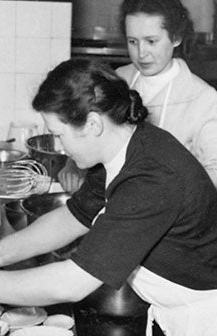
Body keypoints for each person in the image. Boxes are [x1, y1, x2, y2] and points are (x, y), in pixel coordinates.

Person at [0, 59, 217, 336]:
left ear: (92, 124)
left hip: (209, 326)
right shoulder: (123, 150)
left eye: (59, 135)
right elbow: (74, 217)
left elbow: (74, 282)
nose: (60, 147)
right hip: (178, 316)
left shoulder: (150, 178)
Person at [57, 0, 217, 192]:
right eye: (133, 41)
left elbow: (213, 177)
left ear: (175, 38)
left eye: (151, 41)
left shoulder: (204, 100)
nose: (141, 53)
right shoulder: (118, 79)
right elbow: (90, 130)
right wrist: (73, 165)